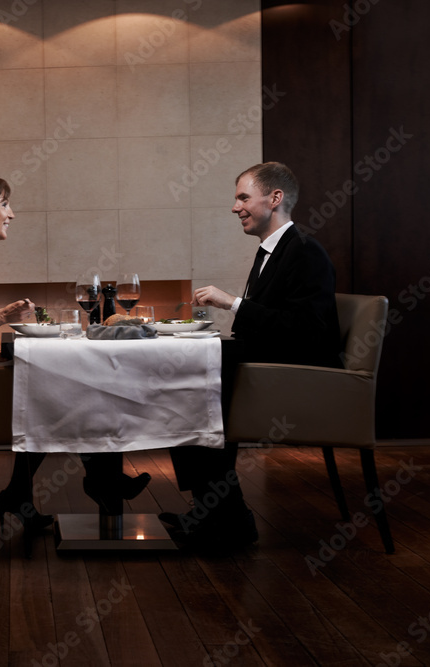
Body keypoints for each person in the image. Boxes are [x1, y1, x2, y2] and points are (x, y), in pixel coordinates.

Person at [0, 173, 150, 550]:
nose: (12, 214)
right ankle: (99, 480)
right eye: (4, 204)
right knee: (57, 388)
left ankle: (27, 492)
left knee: (51, 386)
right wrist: (3, 316)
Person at [163, 161, 342, 549]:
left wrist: (233, 304)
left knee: (194, 388)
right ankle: (217, 512)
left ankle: (223, 514)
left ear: (274, 198)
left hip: (301, 380)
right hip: (272, 369)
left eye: (243, 197)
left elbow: (308, 332)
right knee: (187, 382)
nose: (235, 207)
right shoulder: (273, 252)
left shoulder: (305, 253)